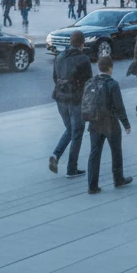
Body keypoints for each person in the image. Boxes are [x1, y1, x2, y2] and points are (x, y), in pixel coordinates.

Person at [82, 55, 133, 193]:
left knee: (94, 153)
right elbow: (119, 106)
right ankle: (118, 179)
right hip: (110, 123)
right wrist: (126, 124)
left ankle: (92, 186)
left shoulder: (90, 82)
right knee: (116, 151)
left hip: (94, 122)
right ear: (110, 68)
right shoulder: (112, 84)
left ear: (99, 67)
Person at [49, 31, 92, 177]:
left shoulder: (59, 57)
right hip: (75, 99)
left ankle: (55, 155)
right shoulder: (83, 59)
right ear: (82, 43)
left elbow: (55, 77)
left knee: (70, 129)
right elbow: (88, 83)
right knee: (77, 132)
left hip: (60, 98)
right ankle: (71, 168)